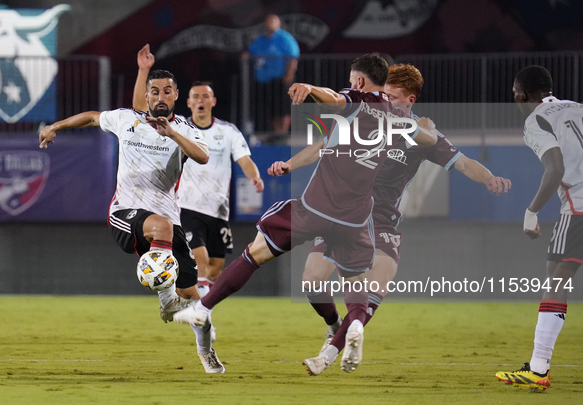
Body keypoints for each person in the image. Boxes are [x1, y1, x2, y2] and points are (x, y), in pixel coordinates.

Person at [173, 53, 439, 373]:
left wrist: (309, 87)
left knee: (256, 253)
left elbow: (335, 98)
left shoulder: (360, 100)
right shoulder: (400, 121)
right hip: (354, 220)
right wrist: (427, 131)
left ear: (359, 80)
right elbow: (428, 139)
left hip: (326, 209)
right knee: (339, 283)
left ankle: (204, 307)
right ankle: (350, 327)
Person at [275, 64, 511, 375]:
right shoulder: (366, 115)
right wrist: (289, 165)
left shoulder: (424, 135)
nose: (385, 100)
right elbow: (322, 146)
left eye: (393, 97)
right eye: (383, 93)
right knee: (312, 282)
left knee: (376, 287)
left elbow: (463, 163)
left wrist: (489, 178)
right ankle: (337, 327)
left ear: (410, 100)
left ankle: (328, 354)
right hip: (343, 214)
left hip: (382, 220)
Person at [38, 69, 225, 374]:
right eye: (155, 91)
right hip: (125, 213)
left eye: (167, 91)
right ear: (147, 95)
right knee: (162, 229)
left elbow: (203, 156)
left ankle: (207, 355)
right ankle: (166, 301)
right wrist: (56, 126)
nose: (160, 96)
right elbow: (92, 117)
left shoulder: (186, 130)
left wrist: (172, 134)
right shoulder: (128, 119)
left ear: (176, 96)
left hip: (167, 220)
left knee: (195, 301)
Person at [134, 45, 264, 297]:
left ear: (213, 101)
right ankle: (200, 312)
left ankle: (181, 297)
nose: (201, 100)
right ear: (188, 101)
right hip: (187, 207)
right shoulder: (177, 129)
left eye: (206, 96)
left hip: (218, 210)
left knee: (216, 267)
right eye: (196, 96)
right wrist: (144, 71)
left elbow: (243, 158)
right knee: (200, 262)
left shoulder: (228, 131)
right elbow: (140, 110)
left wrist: (254, 177)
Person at [495, 65, 583, 391]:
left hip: (582, 205)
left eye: (513, 96)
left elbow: (555, 168)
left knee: (557, 277)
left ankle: (538, 369)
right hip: (580, 204)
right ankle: (539, 365)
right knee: (555, 271)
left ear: (521, 95)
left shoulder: (536, 119)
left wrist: (531, 211)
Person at [245, 13, 300, 134]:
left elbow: (292, 57)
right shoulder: (262, 39)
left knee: (283, 108)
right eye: (268, 22)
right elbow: (251, 51)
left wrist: (289, 75)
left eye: (273, 22)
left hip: (281, 78)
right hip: (265, 80)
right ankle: (277, 133)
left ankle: (283, 132)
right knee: (272, 108)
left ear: (278, 24)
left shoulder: (284, 38)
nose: (270, 24)